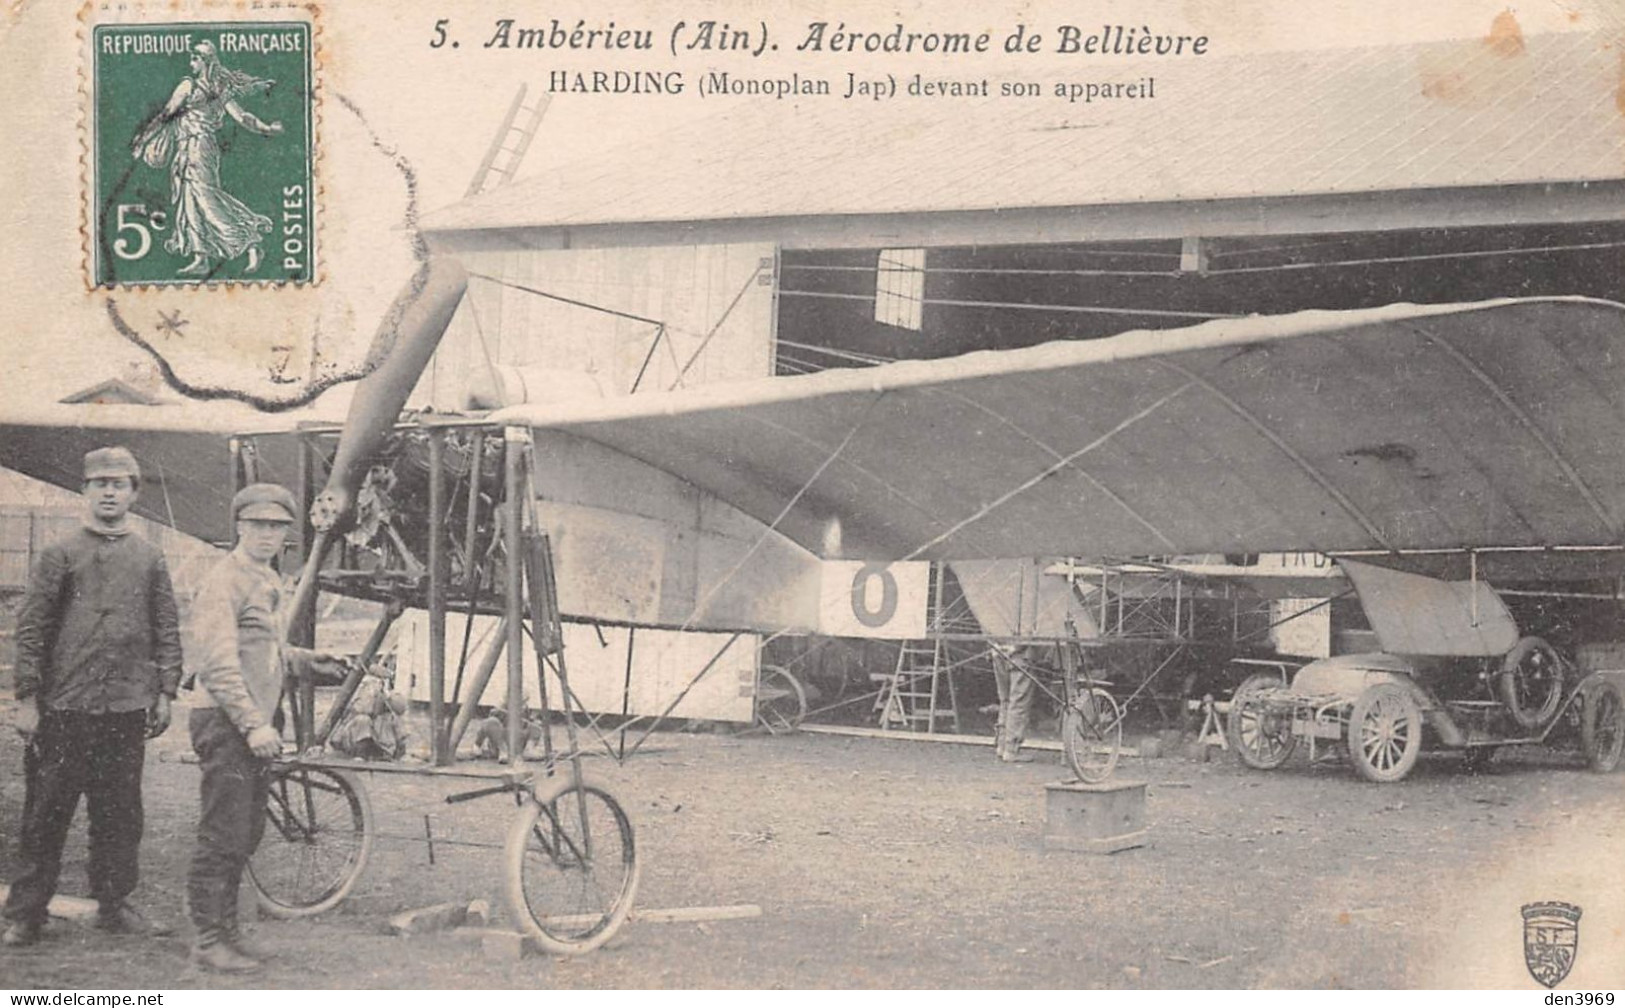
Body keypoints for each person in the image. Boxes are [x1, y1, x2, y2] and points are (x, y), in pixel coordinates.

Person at [3, 448, 183, 947]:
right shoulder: (58, 554)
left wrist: (165, 691)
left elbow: (166, 626)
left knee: (121, 814)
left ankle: (114, 902)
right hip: (64, 710)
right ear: (84, 490)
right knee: (45, 814)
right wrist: (27, 699)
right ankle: (27, 912)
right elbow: (33, 630)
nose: (109, 492)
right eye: (99, 483)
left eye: (119, 483)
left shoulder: (149, 557)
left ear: (133, 493)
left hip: (125, 710)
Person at [183, 483, 340, 973]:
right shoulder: (224, 580)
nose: (269, 534)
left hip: (250, 723)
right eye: (259, 525)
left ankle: (227, 933)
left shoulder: (263, 579)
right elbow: (219, 665)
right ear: (239, 526)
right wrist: (254, 726)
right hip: (227, 721)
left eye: (277, 526)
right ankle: (208, 940)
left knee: (245, 833)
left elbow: (262, 652)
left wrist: (309, 661)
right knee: (222, 832)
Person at [130, 39, 283, 276]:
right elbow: (243, 118)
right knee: (190, 200)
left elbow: (166, 115)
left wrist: (143, 139)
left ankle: (250, 240)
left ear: (206, 61)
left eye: (195, 57)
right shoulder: (218, 90)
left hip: (198, 149)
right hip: (191, 148)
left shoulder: (191, 87)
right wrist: (267, 129)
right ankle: (200, 257)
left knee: (205, 197)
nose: (191, 61)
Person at [993, 645, 1040, 763]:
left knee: (1005, 700)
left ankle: (1002, 745)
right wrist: (1015, 647)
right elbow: (1027, 632)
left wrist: (996, 646)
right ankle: (1011, 749)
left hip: (998, 653)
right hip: (1019, 656)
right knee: (1019, 702)